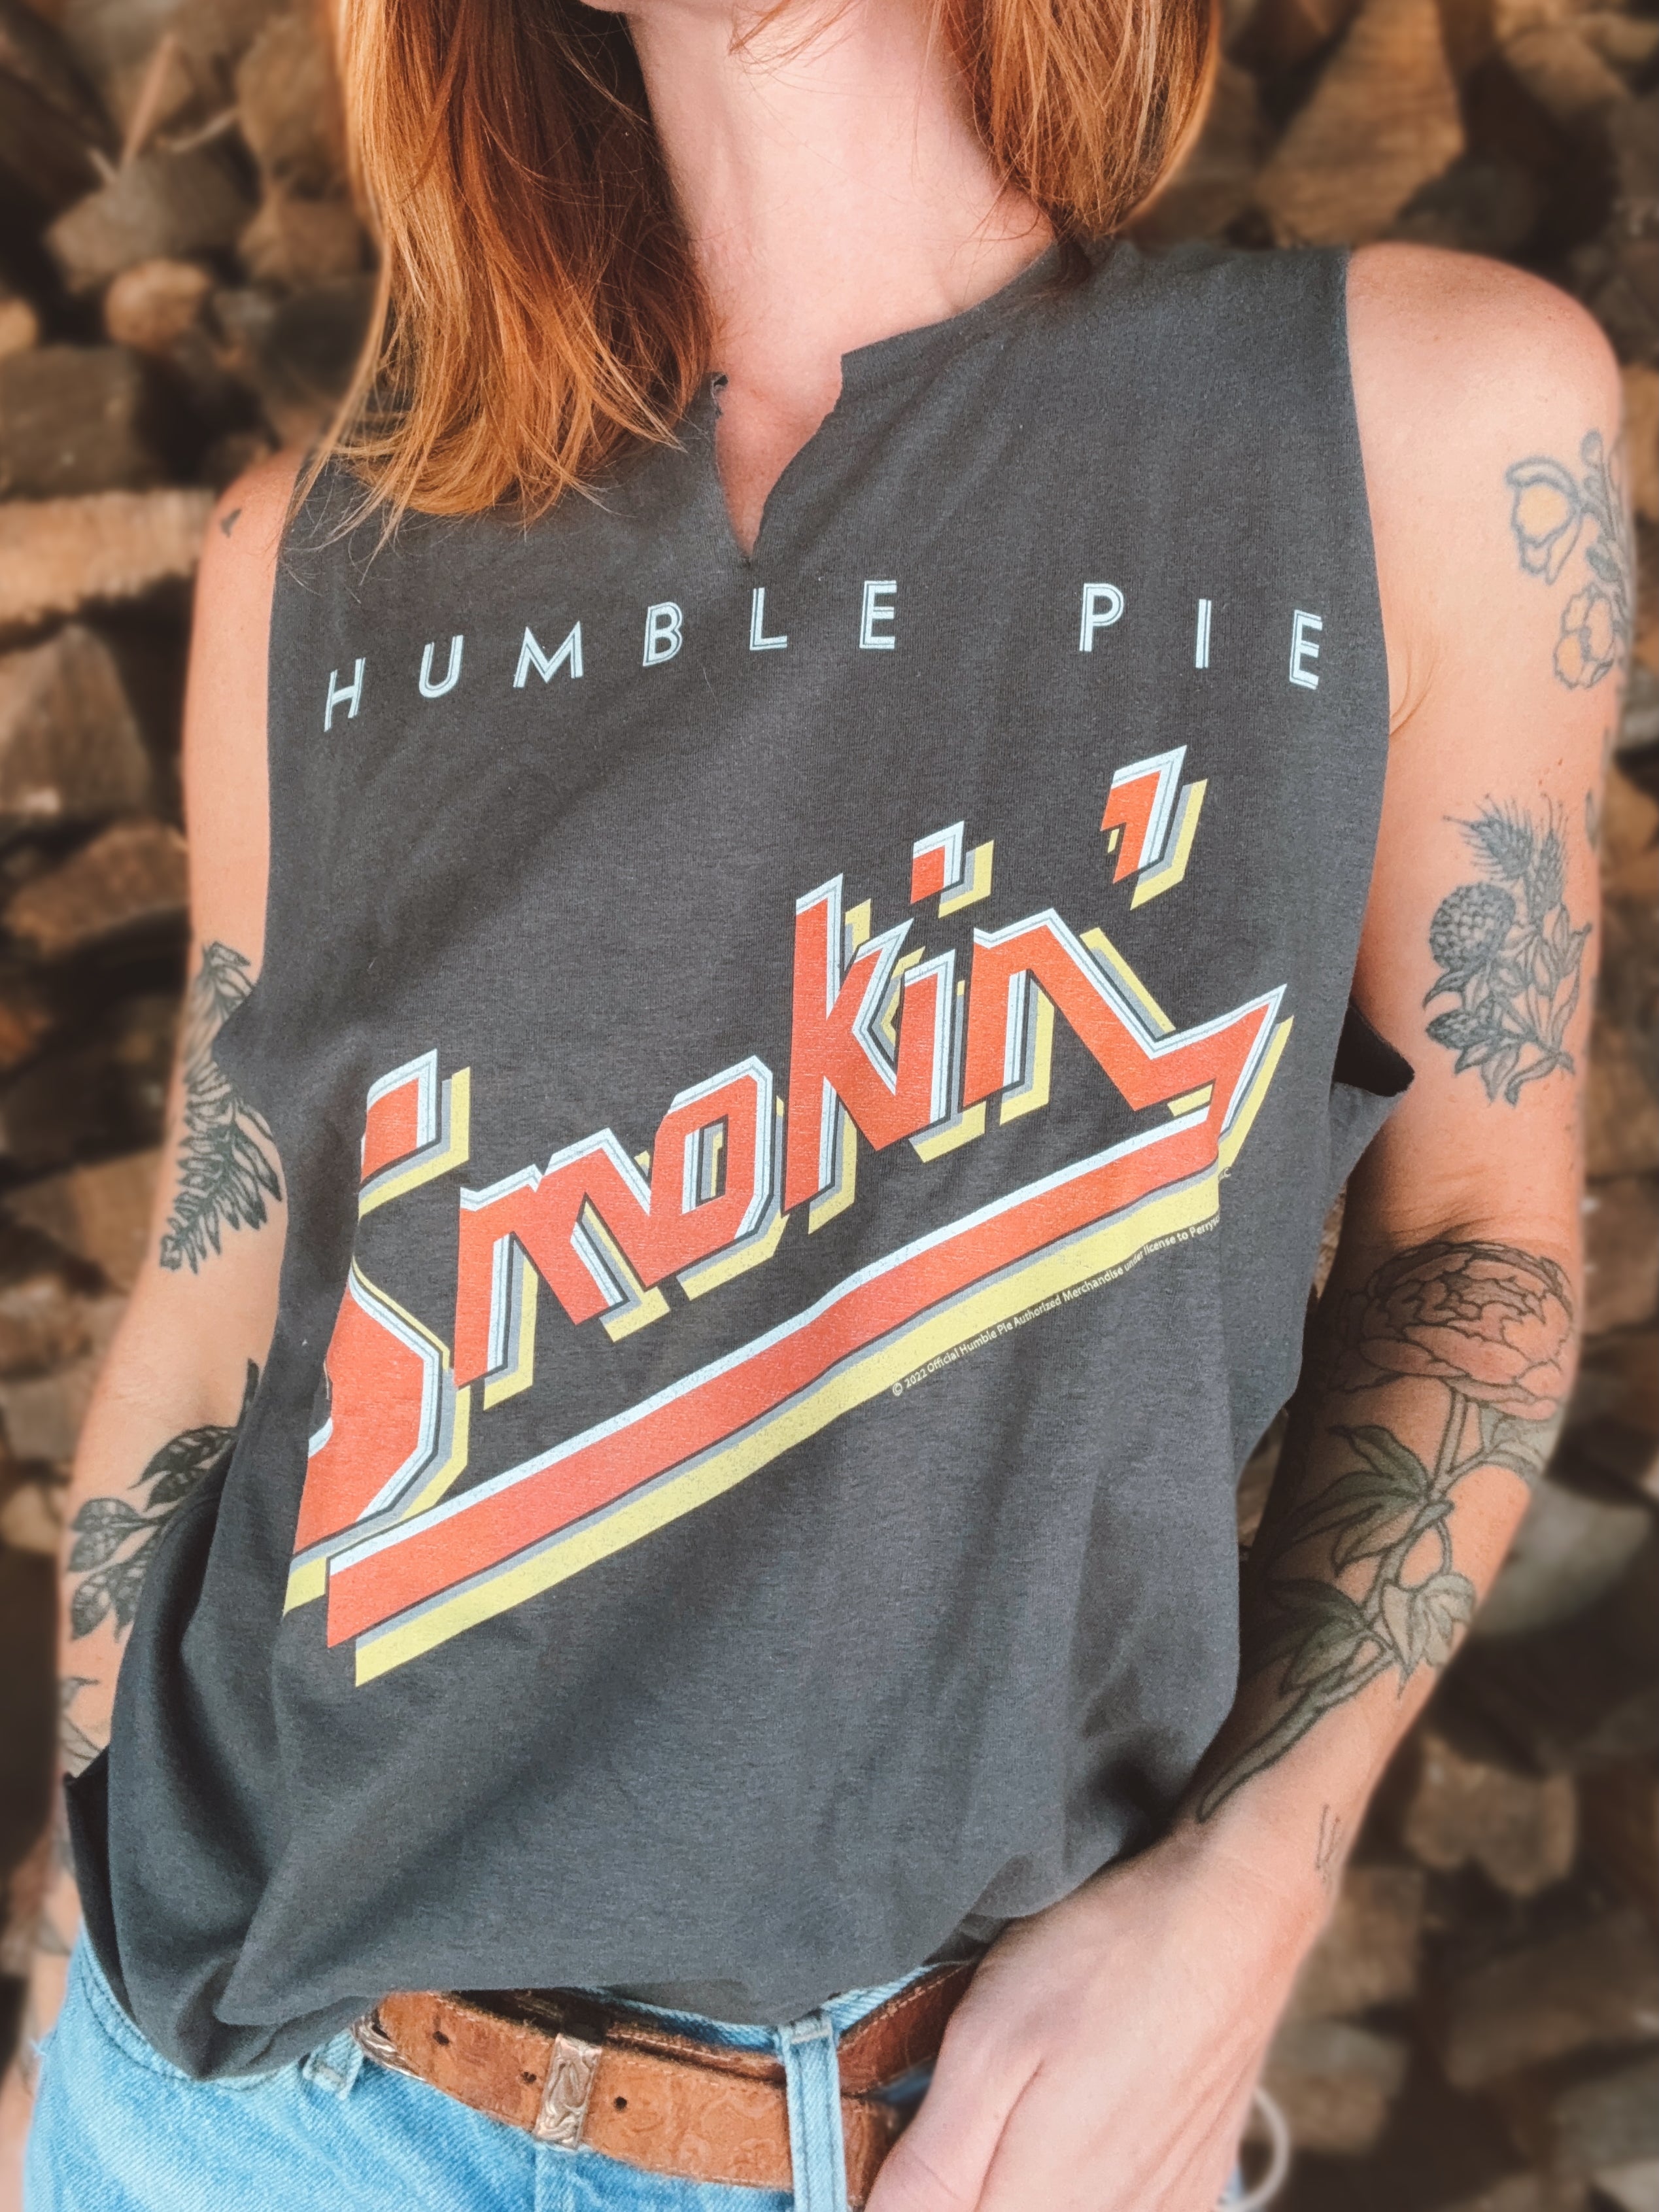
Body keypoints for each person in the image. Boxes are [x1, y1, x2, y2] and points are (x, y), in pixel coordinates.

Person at [3, 0, 1622, 2200]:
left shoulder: (1418, 423)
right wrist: (68, 1981)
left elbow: (1470, 1236)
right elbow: (218, 1328)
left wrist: (1250, 1887)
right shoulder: (304, 567)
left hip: (909, 2140)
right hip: (231, 2121)